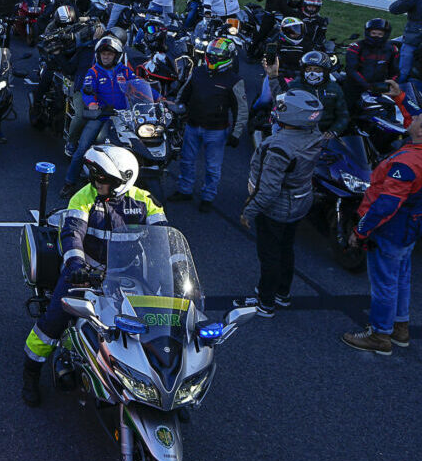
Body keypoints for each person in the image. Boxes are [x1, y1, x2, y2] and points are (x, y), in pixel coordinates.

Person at [21, 145, 164, 406]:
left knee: (157, 323)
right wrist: (76, 266)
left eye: (102, 177)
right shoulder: (83, 197)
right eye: (94, 175)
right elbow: (72, 233)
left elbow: (164, 239)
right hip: (86, 273)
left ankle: (160, 383)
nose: (95, 181)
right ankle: (31, 373)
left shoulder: (146, 201)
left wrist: (172, 270)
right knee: (54, 320)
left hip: (128, 274)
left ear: (123, 179)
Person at [344, 110, 422, 355]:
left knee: (384, 284)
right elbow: (415, 129)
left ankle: (380, 335)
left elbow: (386, 205)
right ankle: (400, 328)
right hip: (415, 223)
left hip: (392, 228)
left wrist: (360, 231)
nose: (412, 119)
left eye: (418, 119)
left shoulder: (407, 164)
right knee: (401, 278)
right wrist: (400, 101)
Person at [239, 89, 326, 316]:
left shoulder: (279, 146)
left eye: (283, 109)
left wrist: (249, 211)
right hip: (300, 201)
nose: (278, 111)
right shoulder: (315, 134)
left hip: (277, 207)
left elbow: (268, 191)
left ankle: (265, 302)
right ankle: (282, 294)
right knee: (286, 249)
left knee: (269, 255)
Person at [168, 36, 247, 210]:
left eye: (217, 55)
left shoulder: (235, 80)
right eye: (211, 54)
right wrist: (176, 109)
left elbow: (241, 110)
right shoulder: (197, 72)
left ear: (228, 57)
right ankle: (184, 190)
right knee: (186, 161)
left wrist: (236, 134)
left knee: (213, 167)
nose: (212, 58)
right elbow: (183, 93)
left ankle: (208, 197)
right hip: (192, 125)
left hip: (217, 131)